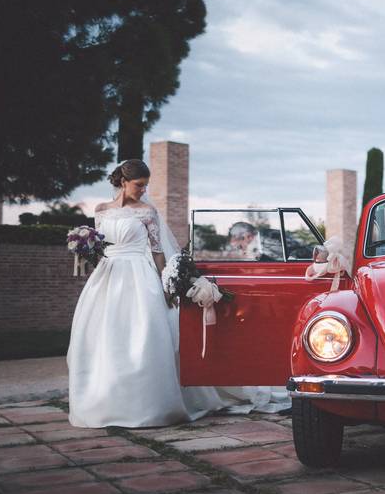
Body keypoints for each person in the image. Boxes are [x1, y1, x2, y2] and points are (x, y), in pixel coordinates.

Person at [67, 160, 289, 428]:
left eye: (146, 185)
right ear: (123, 182)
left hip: (140, 276)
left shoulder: (147, 212)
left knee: (147, 334)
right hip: (107, 276)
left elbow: (158, 251)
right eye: (139, 185)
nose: (143, 190)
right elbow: (102, 246)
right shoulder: (101, 210)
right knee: (102, 335)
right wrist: (87, 251)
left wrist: (166, 286)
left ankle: (148, 405)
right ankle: (103, 402)